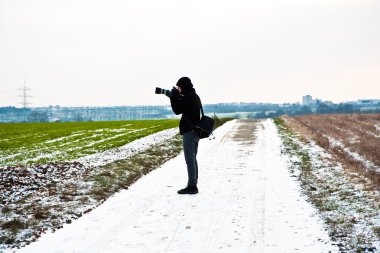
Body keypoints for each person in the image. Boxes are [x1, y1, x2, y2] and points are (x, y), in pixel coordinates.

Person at [169, 77, 201, 194]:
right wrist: (177, 96)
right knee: (193, 158)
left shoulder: (188, 97)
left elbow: (177, 110)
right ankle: (194, 184)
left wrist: (173, 97)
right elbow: (184, 107)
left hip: (189, 132)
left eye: (179, 87)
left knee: (189, 159)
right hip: (195, 132)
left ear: (183, 86)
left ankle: (192, 186)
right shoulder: (194, 96)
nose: (178, 89)